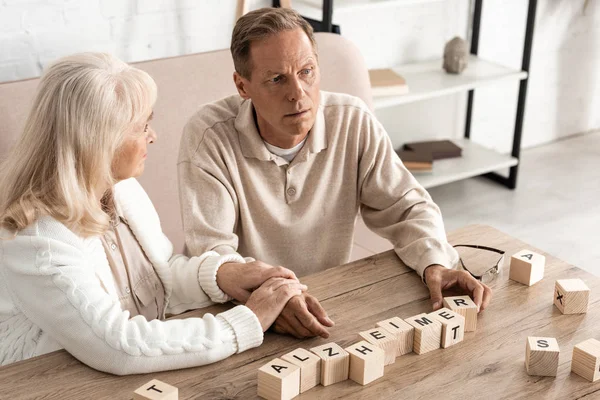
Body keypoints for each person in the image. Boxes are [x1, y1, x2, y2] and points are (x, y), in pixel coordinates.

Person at [178, 7, 492, 340]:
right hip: (241, 315)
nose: (297, 92)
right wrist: (275, 297)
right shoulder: (207, 136)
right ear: (243, 86)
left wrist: (435, 263)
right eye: (276, 79)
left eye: (307, 71)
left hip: (331, 304)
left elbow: (407, 206)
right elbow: (213, 255)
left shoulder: (353, 120)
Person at [0, 53, 306, 375]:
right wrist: (247, 322)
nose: (153, 136)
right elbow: (118, 347)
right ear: (100, 141)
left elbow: (159, 276)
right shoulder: (39, 241)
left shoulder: (120, 187)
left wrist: (222, 276)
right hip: (45, 384)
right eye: (141, 126)